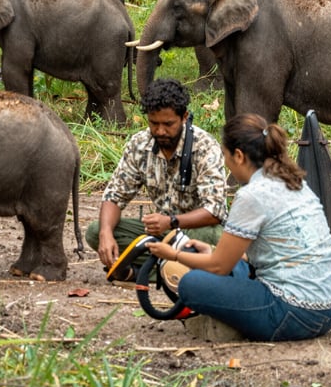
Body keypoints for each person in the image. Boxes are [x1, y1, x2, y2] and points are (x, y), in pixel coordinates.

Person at [148, 113, 331, 341]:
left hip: (295, 314)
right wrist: (212, 253)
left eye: (226, 156)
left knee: (191, 284)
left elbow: (219, 268)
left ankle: (239, 325)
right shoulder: (294, 182)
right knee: (227, 267)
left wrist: (173, 254)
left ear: (239, 156)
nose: (227, 163)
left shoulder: (252, 195)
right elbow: (271, 253)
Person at [87, 78, 228, 275]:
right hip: (161, 235)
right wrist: (105, 234)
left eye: (168, 124)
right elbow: (114, 196)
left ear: (184, 117)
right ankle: (176, 271)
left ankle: (148, 273)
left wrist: (171, 221)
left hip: (198, 233)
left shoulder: (204, 146)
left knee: (212, 237)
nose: (160, 131)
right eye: (154, 123)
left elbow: (214, 212)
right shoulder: (140, 144)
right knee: (95, 231)